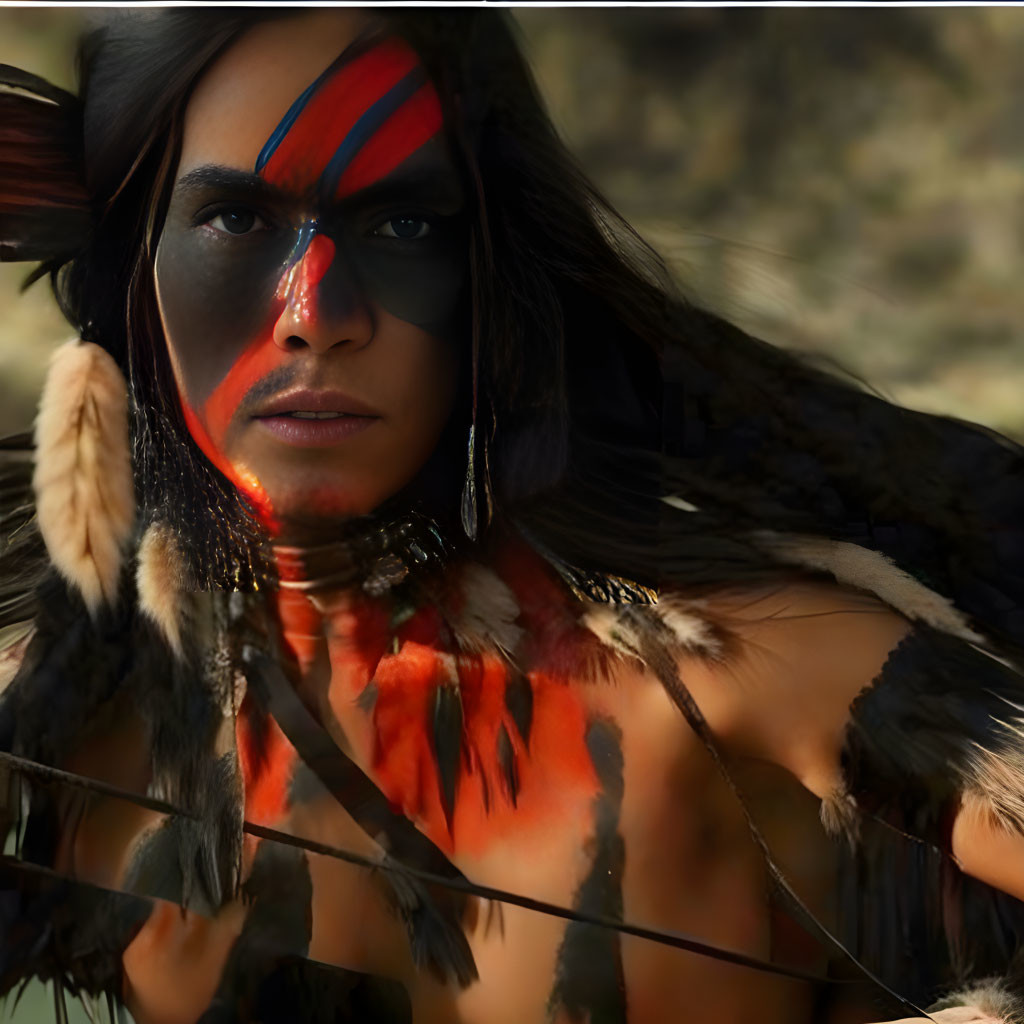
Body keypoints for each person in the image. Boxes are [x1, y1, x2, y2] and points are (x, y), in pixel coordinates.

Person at [1, 8, 1023, 1023]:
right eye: (235, 220)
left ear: (486, 281)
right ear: (134, 278)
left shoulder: (724, 672)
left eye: (402, 224)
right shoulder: (69, 718)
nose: (315, 313)